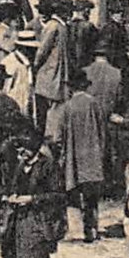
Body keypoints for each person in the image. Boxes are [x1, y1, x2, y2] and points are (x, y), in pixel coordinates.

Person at [0, 129, 66, 258]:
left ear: (35, 150)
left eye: (25, 151)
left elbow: (58, 195)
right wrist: (12, 196)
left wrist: (33, 199)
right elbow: (14, 187)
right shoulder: (21, 166)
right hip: (21, 218)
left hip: (40, 218)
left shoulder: (48, 167)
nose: (21, 154)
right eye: (19, 151)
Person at [45, 73, 107, 242]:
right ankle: (91, 228)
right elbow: (103, 130)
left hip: (73, 158)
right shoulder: (95, 104)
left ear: (72, 88)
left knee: (73, 194)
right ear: (86, 86)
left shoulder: (67, 107)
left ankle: (76, 229)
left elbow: (58, 137)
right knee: (91, 196)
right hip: (93, 157)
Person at [32, 0, 71, 127]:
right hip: (57, 71)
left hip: (48, 72)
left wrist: (35, 66)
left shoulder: (52, 26)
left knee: (43, 110)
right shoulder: (61, 26)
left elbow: (42, 50)